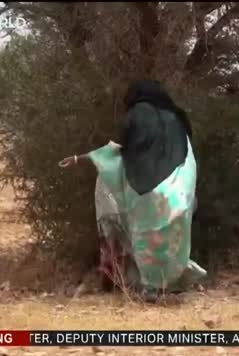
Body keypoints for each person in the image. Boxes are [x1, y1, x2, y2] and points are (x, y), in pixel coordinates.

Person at [58, 79, 206, 302]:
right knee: (175, 236)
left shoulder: (134, 115)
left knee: (145, 237)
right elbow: (187, 154)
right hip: (176, 191)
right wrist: (186, 188)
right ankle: (175, 279)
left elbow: (112, 152)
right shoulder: (176, 117)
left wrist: (81, 158)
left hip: (144, 191)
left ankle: (150, 288)